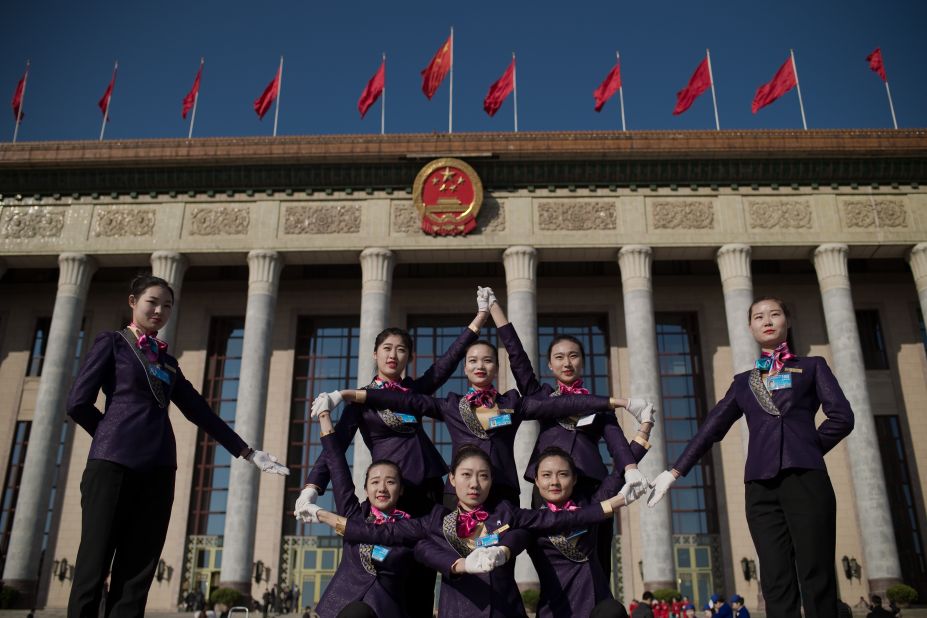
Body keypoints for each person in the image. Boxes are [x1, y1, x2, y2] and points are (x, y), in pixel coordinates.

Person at [65, 275, 289, 618]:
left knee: (138, 570)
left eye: (167, 305)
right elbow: (78, 402)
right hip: (112, 466)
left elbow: (200, 412)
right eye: (152, 302)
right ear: (133, 301)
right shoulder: (111, 343)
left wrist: (247, 452)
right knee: (93, 564)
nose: (159, 310)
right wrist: (110, 435)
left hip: (159, 468)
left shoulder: (168, 363)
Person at [315, 293, 650, 507]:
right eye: (473, 361)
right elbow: (410, 402)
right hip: (455, 494)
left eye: (487, 360)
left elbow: (560, 403)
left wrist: (615, 403)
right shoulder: (450, 404)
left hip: (502, 491)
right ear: (465, 368)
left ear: (496, 367)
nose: (480, 366)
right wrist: (348, 394)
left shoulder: (514, 402)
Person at [647, 297, 854, 618]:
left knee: (816, 573)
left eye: (775, 314)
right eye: (759, 316)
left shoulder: (812, 367)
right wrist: (674, 471)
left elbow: (842, 417)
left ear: (787, 321)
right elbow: (711, 428)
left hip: (806, 480)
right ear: (750, 327)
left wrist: (807, 447)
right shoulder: (744, 382)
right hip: (760, 487)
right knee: (775, 577)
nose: (767, 320)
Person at [297, 309, 485, 617]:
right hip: (393, 493)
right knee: (395, 569)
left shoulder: (413, 391)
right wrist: (312, 487)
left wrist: (477, 321)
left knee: (427, 563)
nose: (393, 355)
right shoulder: (361, 399)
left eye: (401, 350)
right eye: (387, 348)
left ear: (409, 357)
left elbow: (446, 364)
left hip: (428, 491)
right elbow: (337, 444)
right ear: (375, 354)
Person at [307, 444, 634, 617]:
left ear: (492, 482)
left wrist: (610, 505)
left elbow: (551, 521)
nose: (474, 484)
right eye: (466, 475)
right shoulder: (436, 519)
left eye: (483, 476)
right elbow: (391, 537)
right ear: (452, 479)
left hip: (504, 612)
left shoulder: (505, 514)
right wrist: (323, 513)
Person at [483, 285, 653, 577]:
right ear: (550, 365)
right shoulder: (541, 397)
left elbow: (617, 444)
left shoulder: (599, 407)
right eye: (559, 357)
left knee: (596, 561)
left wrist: (631, 467)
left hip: (591, 490)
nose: (567, 362)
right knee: (548, 558)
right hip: (548, 489)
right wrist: (495, 311)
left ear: (582, 361)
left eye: (573, 355)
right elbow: (518, 358)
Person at [305, 403, 421, 617]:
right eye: (375, 482)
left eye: (390, 482)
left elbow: (394, 559)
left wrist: (330, 519)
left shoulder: (411, 528)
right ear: (366, 488)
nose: (382, 488)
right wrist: (324, 416)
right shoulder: (355, 515)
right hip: (343, 604)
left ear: (401, 489)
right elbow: (337, 465)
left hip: (385, 609)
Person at [527, 446, 649, 617]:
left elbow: (617, 475)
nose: (554, 482)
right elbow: (510, 539)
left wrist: (644, 429)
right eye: (546, 475)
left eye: (563, 474)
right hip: (556, 610)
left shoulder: (591, 507)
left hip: (597, 608)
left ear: (574, 479)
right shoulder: (529, 522)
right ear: (537, 481)